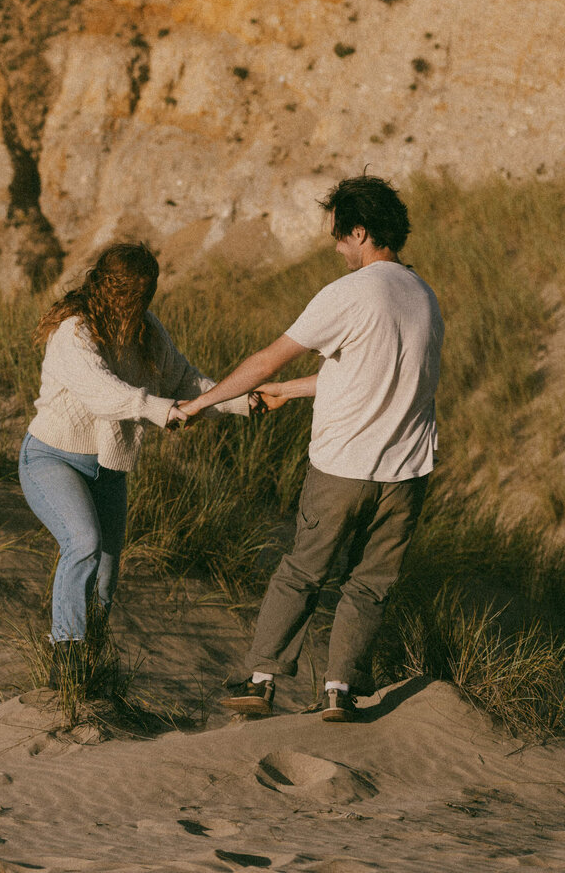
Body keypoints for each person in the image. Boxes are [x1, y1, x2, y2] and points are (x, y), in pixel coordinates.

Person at [179, 175, 444, 722]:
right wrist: (293, 391)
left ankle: (261, 680)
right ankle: (338, 691)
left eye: (340, 238)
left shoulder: (349, 293)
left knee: (302, 572)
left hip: (343, 468)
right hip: (407, 474)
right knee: (370, 585)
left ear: (361, 231)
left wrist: (200, 404)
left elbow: (266, 358)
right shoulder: (424, 297)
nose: (338, 250)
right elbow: (375, 378)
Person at [19, 241, 253, 688]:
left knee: (106, 574)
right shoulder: (74, 332)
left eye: (148, 294)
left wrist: (244, 400)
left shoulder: (148, 331)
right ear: (110, 287)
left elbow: (188, 381)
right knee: (83, 542)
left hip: (108, 467)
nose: (141, 303)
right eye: (133, 293)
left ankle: (90, 663)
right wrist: (163, 411)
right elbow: (105, 393)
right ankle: (64, 658)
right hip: (51, 458)